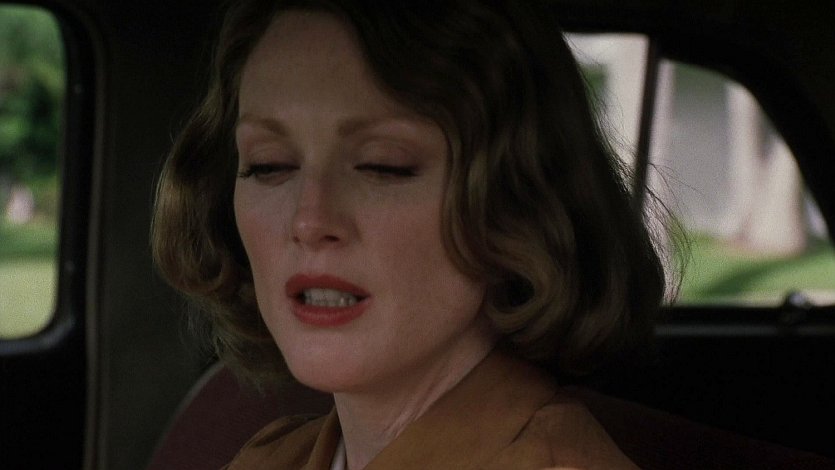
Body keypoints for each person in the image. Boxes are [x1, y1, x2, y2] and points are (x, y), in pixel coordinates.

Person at [151, 0, 665, 468]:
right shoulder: (269, 459)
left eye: (383, 165)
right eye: (269, 165)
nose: (308, 221)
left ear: (518, 201)